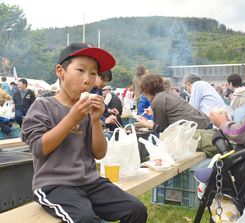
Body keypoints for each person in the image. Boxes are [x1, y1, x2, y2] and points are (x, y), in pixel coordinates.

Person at [21, 43, 147, 223]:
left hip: (89, 181)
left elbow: (100, 153)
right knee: (86, 220)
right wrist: (71, 118)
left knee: (136, 209)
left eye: (93, 73)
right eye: (80, 70)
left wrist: (96, 120)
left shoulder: (88, 111)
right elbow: (39, 149)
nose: (88, 79)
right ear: (60, 71)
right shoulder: (43, 106)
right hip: (54, 185)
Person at [137, 74, 210, 132]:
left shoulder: (157, 100)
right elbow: (174, 113)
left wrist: (146, 124)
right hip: (203, 122)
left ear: (148, 91)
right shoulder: (170, 94)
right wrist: (154, 113)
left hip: (193, 130)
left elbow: (162, 127)